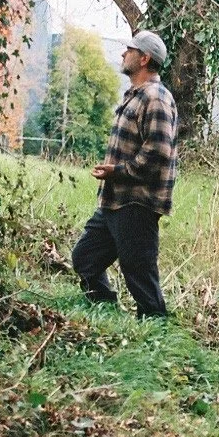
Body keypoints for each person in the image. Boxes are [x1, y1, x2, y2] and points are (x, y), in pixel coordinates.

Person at [71, 29, 178, 317]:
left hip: (136, 204)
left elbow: (157, 153)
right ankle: (106, 312)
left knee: (140, 277)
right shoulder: (135, 95)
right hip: (114, 201)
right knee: (85, 259)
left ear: (144, 58)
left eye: (129, 49)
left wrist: (116, 172)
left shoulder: (155, 97)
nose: (122, 53)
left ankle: (158, 333)